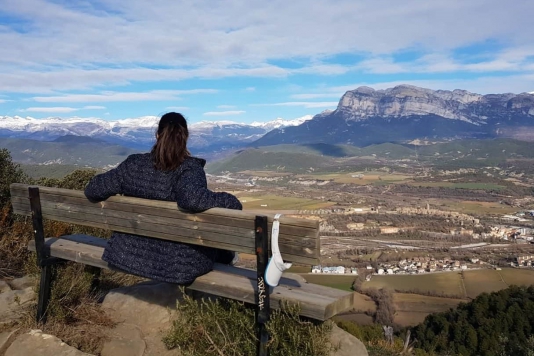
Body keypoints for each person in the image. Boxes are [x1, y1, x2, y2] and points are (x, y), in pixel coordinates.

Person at [84, 112, 242, 284]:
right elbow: (191, 199)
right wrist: (231, 201)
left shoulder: (133, 164)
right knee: (225, 253)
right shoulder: (188, 169)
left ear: (157, 135)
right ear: (185, 137)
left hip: (126, 253)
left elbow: (93, 190)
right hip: (178, 264)